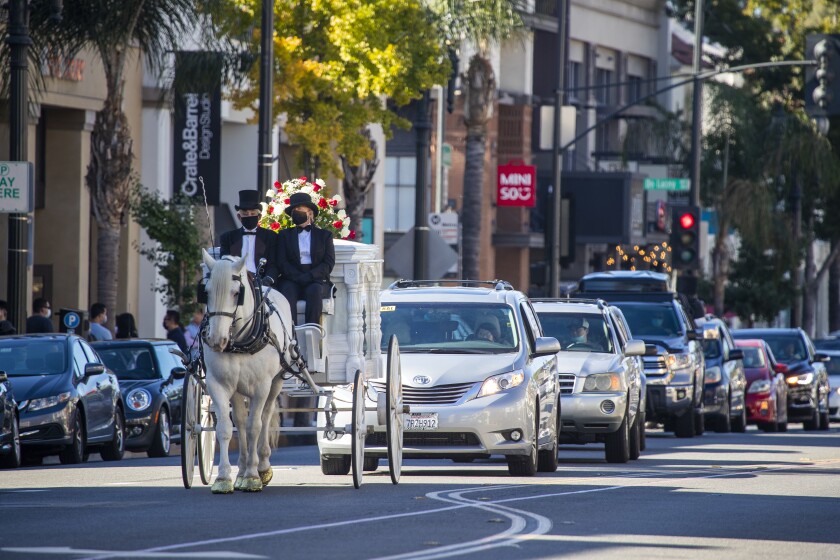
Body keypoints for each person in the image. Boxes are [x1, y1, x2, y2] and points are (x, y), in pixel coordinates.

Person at [276, 192, 336, 325]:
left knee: (315, 292)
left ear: (309, 213)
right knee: (287, 291)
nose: (295, 213)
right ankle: (290, 333)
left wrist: (310, 275)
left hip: (314, 277)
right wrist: (297, 276)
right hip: (291, 277)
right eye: (293, 211)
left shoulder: (324, 235)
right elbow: (281, 261)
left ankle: (312, 332)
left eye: (299, 209)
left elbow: (328, 262)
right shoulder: (284, 235)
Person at [219, 189, 279, 287]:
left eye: (252, 214)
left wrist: (268, 279)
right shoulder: (227, 238)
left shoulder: (270, 236)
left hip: (262, 282)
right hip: (236, 283)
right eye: (245, 214)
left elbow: (273, 263)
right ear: (239, 217)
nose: (249, 216)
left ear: (259, 217)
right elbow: (225, 262)